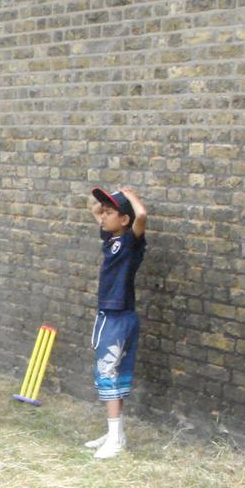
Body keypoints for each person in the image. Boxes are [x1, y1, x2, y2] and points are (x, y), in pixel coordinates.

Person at [85, 186, 148, 459]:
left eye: (110, 213)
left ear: (124, 219)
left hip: (119, 315)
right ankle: (115, 433)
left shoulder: (132, 241)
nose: (103, 217)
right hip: (109, 315)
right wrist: (108, 198)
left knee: (108, 375)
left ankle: (115, 439)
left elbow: (142, 215)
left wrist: (129, 195)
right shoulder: (110, 238)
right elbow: (93, 207)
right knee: (112, 376)